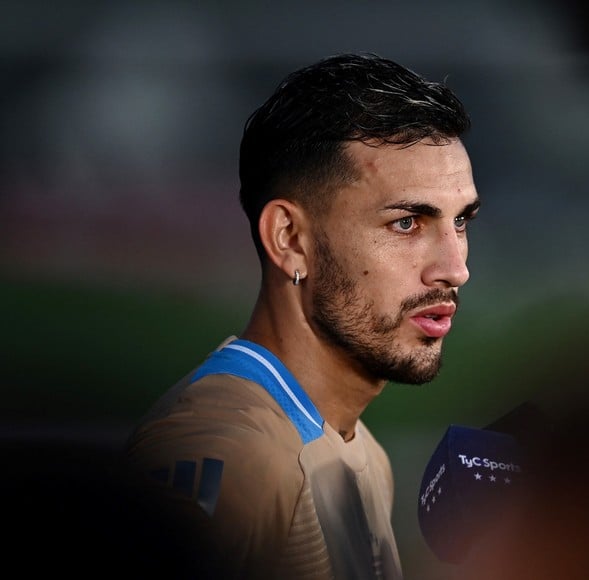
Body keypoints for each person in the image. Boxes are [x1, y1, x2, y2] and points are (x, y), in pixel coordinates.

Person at [121, 52, 479, 579]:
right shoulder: (224, 447)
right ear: (290, 240)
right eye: (407, 223)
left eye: (461, 222)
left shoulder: (363, 453)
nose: (454, 269)